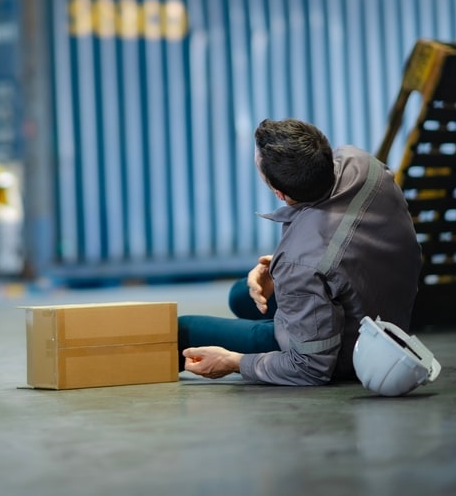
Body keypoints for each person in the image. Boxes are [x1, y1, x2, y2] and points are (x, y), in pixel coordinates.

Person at [179, 118, 421, 385]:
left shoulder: (300, 261)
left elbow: (310, 367)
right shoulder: (362, 162)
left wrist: (234, 362)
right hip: (388, 304)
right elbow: (345, 241)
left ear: (280, 193)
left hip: (354, 349)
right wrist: (285, 271)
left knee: (180, 331)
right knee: (240, 296)